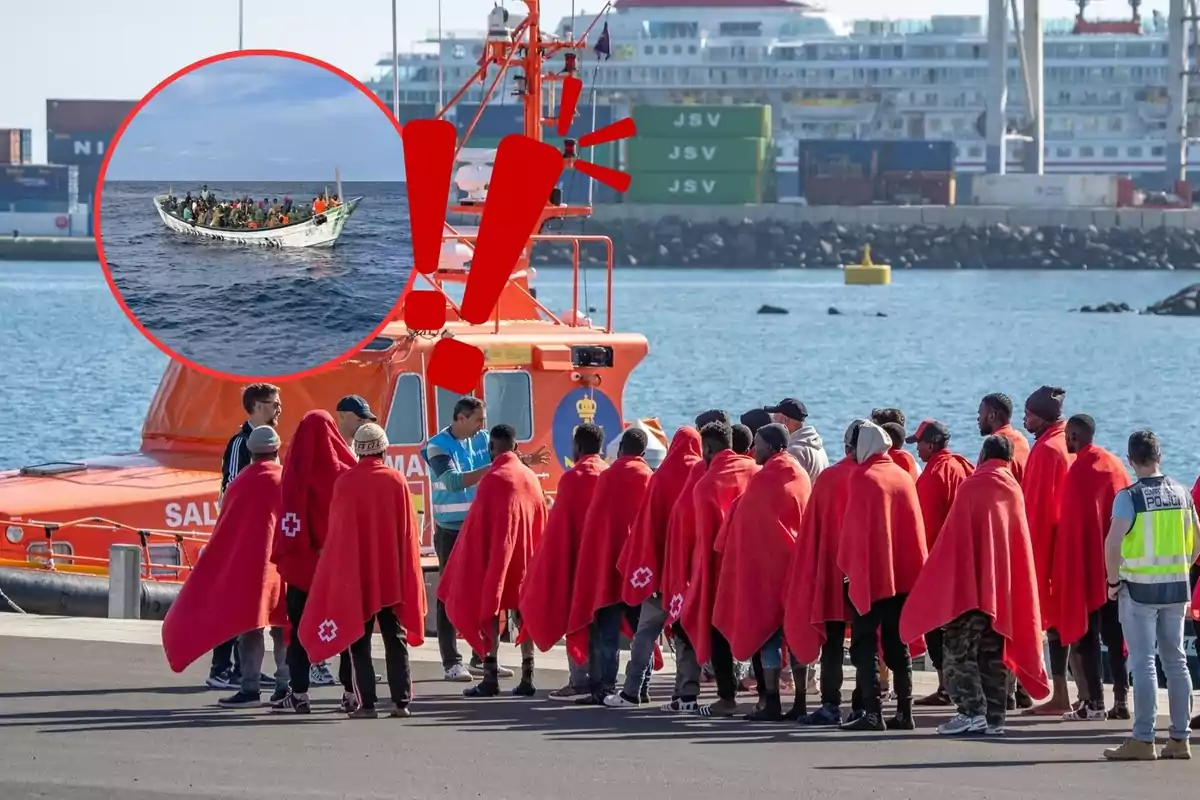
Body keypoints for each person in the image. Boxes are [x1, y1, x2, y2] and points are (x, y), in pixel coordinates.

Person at [900, 434, 1050, 737]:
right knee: (993, 654)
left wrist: (936, 585)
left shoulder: (972, 487)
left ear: (983, 455)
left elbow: (952, 542)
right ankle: (995, 718)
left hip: (970, 592)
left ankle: (971, 711)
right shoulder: (1013, 490)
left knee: (957, 652)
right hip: (1002, 592)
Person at [297, 424, 427, 719]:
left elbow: (338, 538)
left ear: (357, 451)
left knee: (359, 641)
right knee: (395, 638)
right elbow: (408, 536)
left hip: (358, 579)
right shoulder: (397, 481)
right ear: (384, 448)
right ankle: (401, 702)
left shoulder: (345, 483)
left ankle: (366, 704)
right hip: (391, 577)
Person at [421, 397, 550, 682]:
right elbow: (454, 482)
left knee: (486, 591)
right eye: (478, 420)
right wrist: (501, 466)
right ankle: (451, 661)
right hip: (452, 530)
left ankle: (481, 656)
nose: (483, 426)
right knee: (449, 591)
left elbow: (501, 460)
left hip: (481, 526)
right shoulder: (437, 446)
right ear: (461, 418)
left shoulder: (480, 439)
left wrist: (521, 461)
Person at [163, 426, 289, 709]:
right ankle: (285, 687)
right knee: (283, 627)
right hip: (283, 567)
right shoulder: (287, 480)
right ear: (277, 450)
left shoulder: (240, 484)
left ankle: (250, 688)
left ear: (251, 452)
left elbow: (226, 529)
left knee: (251, 628)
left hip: (250, 569)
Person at [1102, 430, 1200, 761]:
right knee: (1176, 661)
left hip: (1139, 591)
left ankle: (1143, 739)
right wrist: (1182, 568)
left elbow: (1113, 543)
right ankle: (1179, 737)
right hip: (1176, 588)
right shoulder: (1182, 493)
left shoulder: (1129, 497)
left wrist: (1113, 582)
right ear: (1160, 456)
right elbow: (1197, 542)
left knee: (1144, 662)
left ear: (1131, 460)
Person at [711, 423, 811, 721]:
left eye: (759, 443)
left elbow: (746, 524)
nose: (754, 449)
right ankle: (802, 702)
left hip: (768, 573)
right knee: (796, 638)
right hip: (798, 571)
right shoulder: (800, 474)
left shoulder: (765, 480)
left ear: (771, 446)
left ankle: (771, 702)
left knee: (767, 638)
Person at [836, 421, 928, 731]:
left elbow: (853, 532)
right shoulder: (903, 476)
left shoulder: (863, 478)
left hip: (871, 576)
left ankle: (872, 712)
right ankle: (904, 711)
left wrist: (850, 570)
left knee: (863, 643)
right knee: (896, 641)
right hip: (902, 577)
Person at [269, 410, 358, 714]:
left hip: (304, 565)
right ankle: (350, 692)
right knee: (348, 627)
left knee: (298, 629)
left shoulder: (294, 472)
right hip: (339, 566)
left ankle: (300, 693)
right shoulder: (348, 469)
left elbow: (289, 515)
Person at [608, 426, 702, 709]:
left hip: (659, 573)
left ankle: (631, 691)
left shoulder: (660, 478)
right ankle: (685, 695)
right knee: (687, 634)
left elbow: (646, 526)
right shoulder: (701, 473)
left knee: (645, 632)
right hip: (689, 575)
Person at [784, 420, 867, 726]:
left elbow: (812, 530)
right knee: (865, 639)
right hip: (866, 573)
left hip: (832, 573)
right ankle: (863, 704)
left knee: (832, 641)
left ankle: (831, 704)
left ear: (847, 447)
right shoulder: (878, 476)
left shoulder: (831, 479)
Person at [518, 423, 608, 702]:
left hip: (577, 561)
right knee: (602, 622)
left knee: (577, 620)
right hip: (604, 562)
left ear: (578, 448)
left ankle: (579, 680)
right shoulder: (609, 473)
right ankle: (604, 680)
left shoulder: (571, 479)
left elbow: (561, 527)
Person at [1051, 414, 1132, 722]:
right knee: (1115, 637)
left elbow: (1072, 528)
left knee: (1087, 636)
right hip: (1118, 567)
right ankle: (1121, 700)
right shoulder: (1115, 465)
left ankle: (1093, 704)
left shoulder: (1079, 471)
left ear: (1073, 436)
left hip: (1087, 568)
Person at [565, 428, 654, 705]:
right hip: (638, 570)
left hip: (609, 567)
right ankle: (642, 687)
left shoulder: (608, 477)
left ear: (621, 449)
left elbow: (596, 525)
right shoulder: (650, 477)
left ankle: (604, 688)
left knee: (607, 634)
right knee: (644, 632)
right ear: (642, 452)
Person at [678, 421, 761, 717]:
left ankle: (727, 697)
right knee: (761, 630)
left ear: (710, 449)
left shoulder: (706, 485)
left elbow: (702, 541)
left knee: (718, 635)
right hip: (754, 568)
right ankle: (767, 697)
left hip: (719, 573)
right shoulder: (755, 471)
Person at [208, 382, 281, 691]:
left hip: (258, 537)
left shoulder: (266, 440)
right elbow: (237, 488)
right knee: (234, 601)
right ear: (258, 406)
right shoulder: (242, 443)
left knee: (252, 603)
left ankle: (244, 668)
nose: (279, 409)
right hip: (239, 538)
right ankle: (221, 668)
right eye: (274, 403)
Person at [659, 410, 729, 713]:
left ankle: (684, 694)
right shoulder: (719, 473)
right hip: (717, 569)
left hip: (686, 571)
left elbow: (673, 524)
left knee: (681, 629)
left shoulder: (685, 477)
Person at [907, 420, 976, 707]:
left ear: (931, 444)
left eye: (920, 443)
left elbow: (924, 525)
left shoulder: (933, 474)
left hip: (939, 561)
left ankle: (945, 686)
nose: (918, 449)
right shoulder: (963, 466)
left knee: (934, 625)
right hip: (966, 560)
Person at [1019, 385, 1077, 716]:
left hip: (1052, 551)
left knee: (1055, 624)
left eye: (1028, 414)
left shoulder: (1047, 450)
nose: (1025, 419)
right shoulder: (1066, 441)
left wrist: (1032, 562)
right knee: (1075, 624)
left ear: (1041, 416)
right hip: (1070, 548)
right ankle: (1086, 697)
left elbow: (1038, 510)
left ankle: (1060, 695)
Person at [765, 398, 829, 482]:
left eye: (775, 419)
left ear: (785, 420)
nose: (772, 423)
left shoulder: (794, 452)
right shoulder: (818, 446)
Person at [977, 393, 1030, 483]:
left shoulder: (993, 446)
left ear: (991, 416)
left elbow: (982, 483)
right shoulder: (1021, 439)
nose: (978, 419)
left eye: (980, 414)